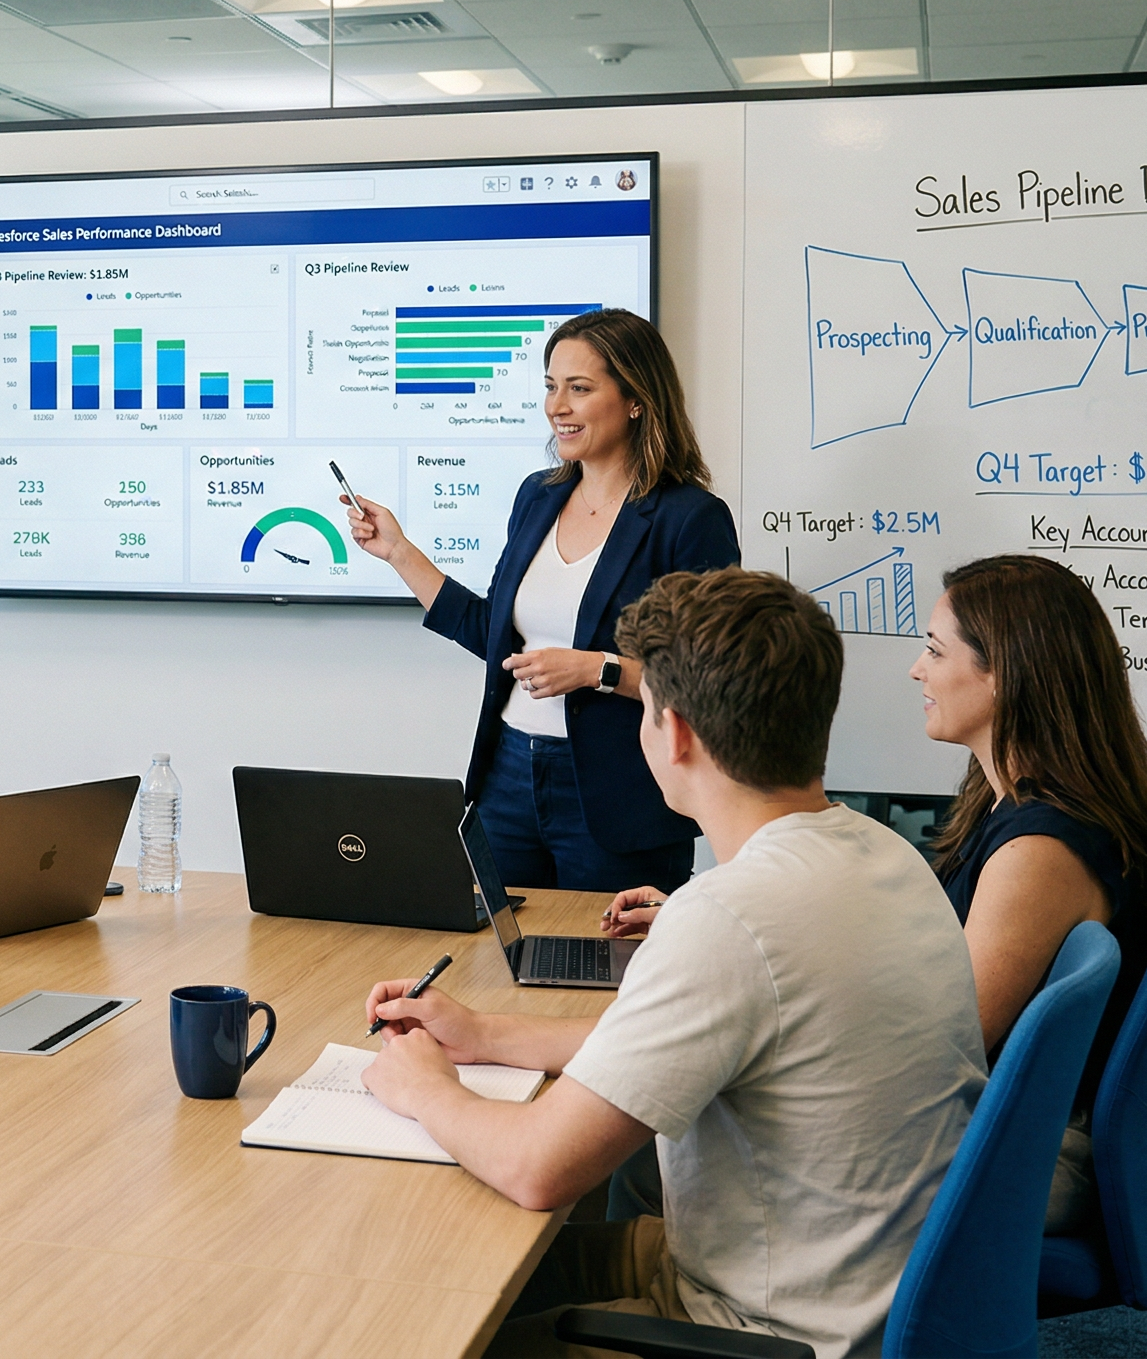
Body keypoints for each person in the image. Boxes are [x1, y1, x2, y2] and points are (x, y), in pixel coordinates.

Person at [359, 569, 985, 1359]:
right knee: (445, 1277)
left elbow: (535, 1168)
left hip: (760, 1331)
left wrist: (427, 1090)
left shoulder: (729, 917)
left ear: (676, 732)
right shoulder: (881, 854)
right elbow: (665, 1044)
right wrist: (482, 1033)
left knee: (413, 1317)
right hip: (848, 1288)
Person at [346, 309, 736, 895]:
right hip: (508, 778)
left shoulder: (690, 518)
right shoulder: (538, 496)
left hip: (620, 798)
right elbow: (497, 638)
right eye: (551, 386)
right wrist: (400, 553)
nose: (558, 405)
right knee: (497, 963)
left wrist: (597, 670)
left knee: (610, 971)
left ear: (636, 399)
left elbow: (714, 681)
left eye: (580, 388)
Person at [910, 553, 1147, 1232]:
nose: (918, 670)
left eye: (936, 653)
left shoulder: (1040, 851)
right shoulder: (1009, 801)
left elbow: (946, 1037)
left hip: (1019, 1147)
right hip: (996, 1116)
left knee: (706, 1111)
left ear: (1005, 676)